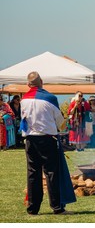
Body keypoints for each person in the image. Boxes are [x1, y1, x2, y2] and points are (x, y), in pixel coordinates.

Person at [21, 71, 73, 215]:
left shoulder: (23, 99)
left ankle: (33, 208)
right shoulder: (50, 98)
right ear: (41, 82)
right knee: (51, 173)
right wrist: (65, 122)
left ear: (28, 84)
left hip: (30, 139)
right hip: (47, 139)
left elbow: (23, 121)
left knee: (33, 174)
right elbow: (60, 123)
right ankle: (57, 207)